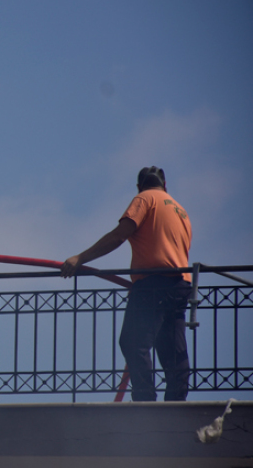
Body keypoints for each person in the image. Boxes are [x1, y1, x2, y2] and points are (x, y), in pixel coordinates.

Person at [61, 166, 193, 401]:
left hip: (153, 285)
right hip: (180, 286)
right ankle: (176, 407)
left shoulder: (144, 200)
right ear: (165, 186)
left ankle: (145, 403)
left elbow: (119, 236)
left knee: (132, 342)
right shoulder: (180, 210)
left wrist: (80, 258)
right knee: (171, 350)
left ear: (139, 186)